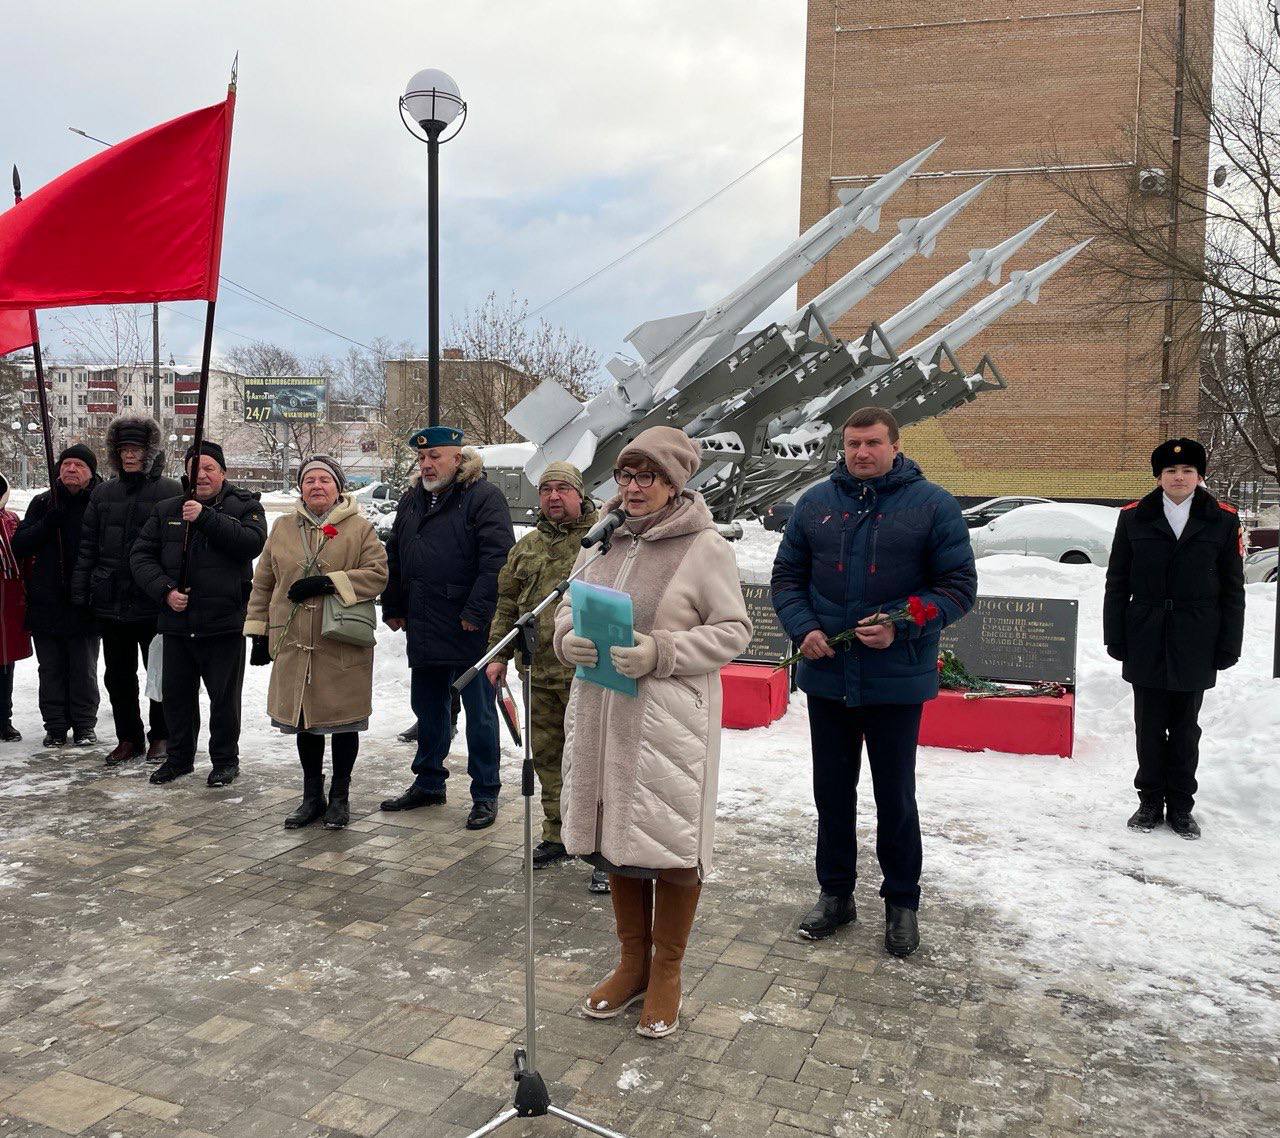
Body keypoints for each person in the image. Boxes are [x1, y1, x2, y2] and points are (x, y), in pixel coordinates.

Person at [553, 426, 751, 1039]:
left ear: (675, 484)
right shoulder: (602, 538)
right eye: (626, 476)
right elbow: (566, 609)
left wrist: (661, 651)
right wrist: (569, 641)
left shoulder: (705, 547)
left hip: (667, 724)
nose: (633, 488)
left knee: (671, 846)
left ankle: (667, 970)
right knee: (618, 839)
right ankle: (630, 962)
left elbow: (734, 631)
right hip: (603, 718)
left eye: (648, 478)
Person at [770, 407, 975, 958]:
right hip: (829, 678)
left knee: (895, 798)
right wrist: (804, 629)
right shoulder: (816, 504)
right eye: (853, 443)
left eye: (873, 443)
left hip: (895, 681)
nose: (861, 452)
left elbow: (957, 588)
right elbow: (786, 578)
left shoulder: (932, 505)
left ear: (895, 445)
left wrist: (902, 624)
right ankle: (836, 895)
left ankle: (901, 903)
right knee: (832, 796)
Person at [1103, 438, 1245, 840]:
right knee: (1148, 726)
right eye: (1170, 471)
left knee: (1185, 728)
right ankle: (1149, 801)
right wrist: (1115, 635)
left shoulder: (1221, 518)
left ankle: (1181, 806)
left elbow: (1233, 589)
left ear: (1199, 476)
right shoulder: (1134, 517)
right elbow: (1117, 582)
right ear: (1158, 476)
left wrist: (1228, 643)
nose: (1178, 478)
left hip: (1196, 636)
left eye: (1187, 471)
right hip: (1145, 633)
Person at [380, 427, 515, 830]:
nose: (426, 464)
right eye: (422, 458)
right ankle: (428, 782)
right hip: (422, 622)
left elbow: (497, 559)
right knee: (428, 708)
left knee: (479, 714)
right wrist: (393, 605)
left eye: (435, 456)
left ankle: (486, 791)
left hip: (467, 625)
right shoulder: (412, 500)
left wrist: (477, 611)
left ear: (459, 458)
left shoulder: (483, 497)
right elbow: (395, 554)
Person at [245, 456, 388, 829]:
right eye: (309, 480)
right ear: (300, 488)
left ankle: (340, 797)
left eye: (325, 479)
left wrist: (328, 583)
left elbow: (377, 575)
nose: (317, 486)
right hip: (293, 641)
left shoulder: (359, 529)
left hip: (340, 642)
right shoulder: (282, 527)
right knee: (303, 721)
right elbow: (264, 582)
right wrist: (259, 632)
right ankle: (312, 798)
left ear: (339, 487)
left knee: (343, 722)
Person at [130, 441, 267, 787]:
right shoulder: (166, 510)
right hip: (176, 622)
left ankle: (224, 760)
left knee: (224, 698)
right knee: (177, 697)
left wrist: (205, 517)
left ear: (223, 472)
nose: (201, 475)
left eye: (209, 468)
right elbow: (140, 556)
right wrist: (164, 590)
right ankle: (179, 759)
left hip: (223, 621)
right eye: (195, 468)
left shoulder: (246, 506)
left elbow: (251, 544)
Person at [485, 461, 599, 876]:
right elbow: (507, 604)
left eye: (562, 489)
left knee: (589, 758)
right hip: (538, 672)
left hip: (587, 675)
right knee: (547, 755)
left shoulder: (599, 544)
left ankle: (601, 846)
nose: (554, 497)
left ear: (579, 494)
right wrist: (497, 654)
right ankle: (558, 833)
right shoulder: (526, 547)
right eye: (547, 489)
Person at [71, 414, 180, 765]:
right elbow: (88, 547)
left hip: (153, 600)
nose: (129, 456)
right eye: (123, 450)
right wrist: (82, 592)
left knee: (158, 674)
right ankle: (127, 737)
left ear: (149, 452)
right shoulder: (103, 492)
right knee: (117, 677)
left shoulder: (171, 491)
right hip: (111, 601)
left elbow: (177, 549)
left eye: (135, 449)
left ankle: (161, 736)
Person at [12, 445, 102, 747]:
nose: (70, 469)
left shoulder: (99, 501)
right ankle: (55, 725)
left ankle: (85, 724)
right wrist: (50, 521)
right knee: (50, 668)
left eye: (78, 464)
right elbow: (20, 544)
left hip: (85, 601)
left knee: (83, 668)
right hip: (46, 602)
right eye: (66, 464)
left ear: (91, 472)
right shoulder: (43, 503)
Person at [0, 471, 32, 741]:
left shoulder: (10, 520)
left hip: (8, 600)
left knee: (6, 663)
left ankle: (3, 719)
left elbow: (23, 554)